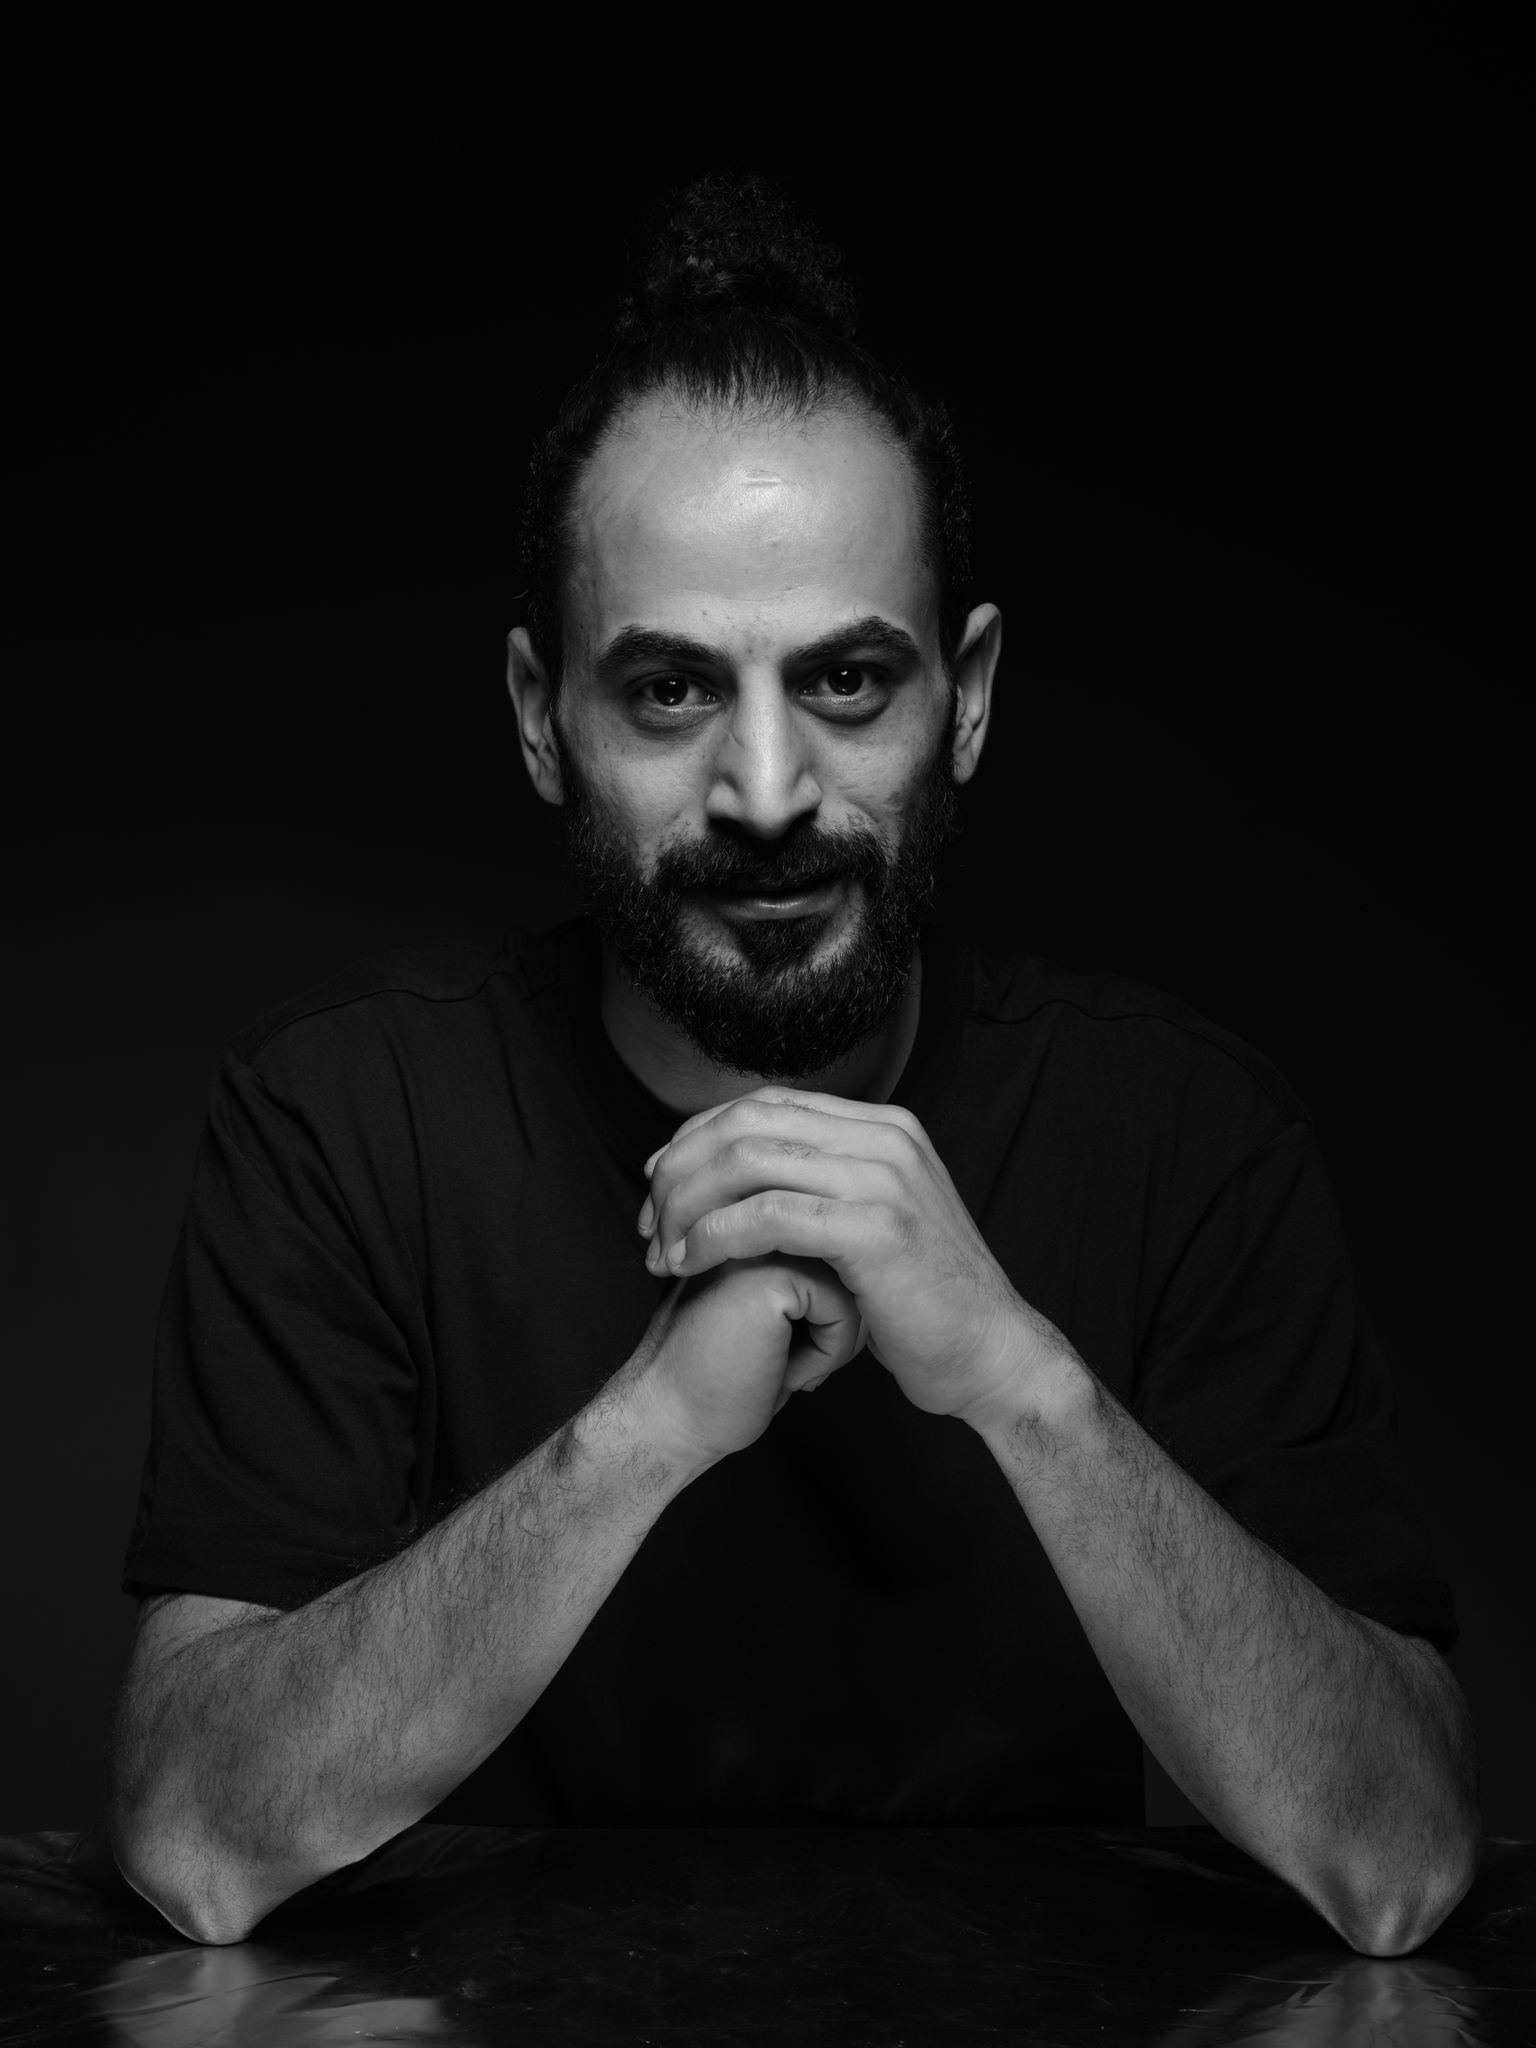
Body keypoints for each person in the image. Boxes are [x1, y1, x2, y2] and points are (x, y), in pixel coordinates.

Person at [108, 174, 1479, 1951]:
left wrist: (1016, 1376)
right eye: (671, 692)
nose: (765, 796)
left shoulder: (1183, 1133)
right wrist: (645, 1431)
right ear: (540, 719)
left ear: (966, 698)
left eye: (846, 682)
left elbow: (1400, 1860)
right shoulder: (344, 1115)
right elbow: (197, 1841)